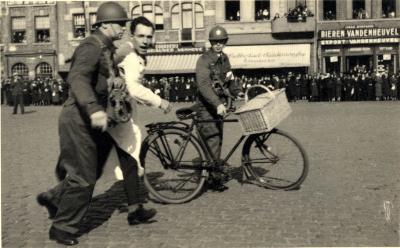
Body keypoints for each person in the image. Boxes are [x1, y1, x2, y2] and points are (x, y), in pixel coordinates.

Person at [35, 2, 152, 246]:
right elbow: (77, 78)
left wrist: (117, 82)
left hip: (92, 118)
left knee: (91, 169)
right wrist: (94, 109)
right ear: (106, 24)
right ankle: (62, 228)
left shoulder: (106, 47)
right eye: (121, 23)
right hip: (79, 118)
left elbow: (108, 73)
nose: (123, 28)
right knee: (84, 177)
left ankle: (53, 197)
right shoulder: (91, 45)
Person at [110, 16, 171, 197]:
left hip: (121, 111)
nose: (145, 41)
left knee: (127, 155)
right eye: (141, 36)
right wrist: (159, 101)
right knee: (102, 161)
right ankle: (58, 195)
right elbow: (133, 87)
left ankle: (134, 207)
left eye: (149, 36)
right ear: (132, 35)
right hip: (115, 112)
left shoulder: (134, 53)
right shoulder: (129, 54)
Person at [195, 25, 239, 191]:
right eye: (215, 42)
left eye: (221, 41)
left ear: (225, 42)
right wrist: (218, 103)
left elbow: (229, 78)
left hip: (218, 106)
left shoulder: (225, 59)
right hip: (206, 106)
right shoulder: (204, 60)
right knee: (212, 139)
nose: (218, 44)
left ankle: (212, 173)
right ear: (211, 42)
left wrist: (237, 93)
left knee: (218, 139)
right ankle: (212, 179)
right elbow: (203, 85)